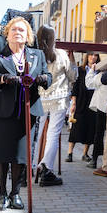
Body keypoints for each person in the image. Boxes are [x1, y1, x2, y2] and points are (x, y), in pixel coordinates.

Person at [0, 15, 49, 210]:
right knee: (2, 155)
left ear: (28, 35)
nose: (17, 33)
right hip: (1, 112)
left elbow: (48, 74)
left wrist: (44, 78)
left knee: (21, 156)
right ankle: (2, 193)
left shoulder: (37, 55)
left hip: (26, 113)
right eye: (14, 30)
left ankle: (16, 194)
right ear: (7, 34)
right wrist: (3, 79)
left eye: (22, 30)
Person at [33, 26, 76, 186]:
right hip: (59, 98)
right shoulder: (61, 54)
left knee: (36, 133)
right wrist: (72, 62)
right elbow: (73, 76)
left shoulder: (35, 55)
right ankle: (46, 167)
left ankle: (29, 167)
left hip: (41, 97)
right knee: (53, 133)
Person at [66, 53, 100, 162]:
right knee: (76, 127)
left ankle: (85, 153)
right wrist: (74, 102)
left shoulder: (99, 70)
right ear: (87, 57)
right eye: (91, 55)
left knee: (91, 128)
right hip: (81, 101)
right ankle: (70, 153)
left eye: (95, 55)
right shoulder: (81, 70)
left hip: (93, 102)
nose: (93, 57)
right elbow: (75, 86)